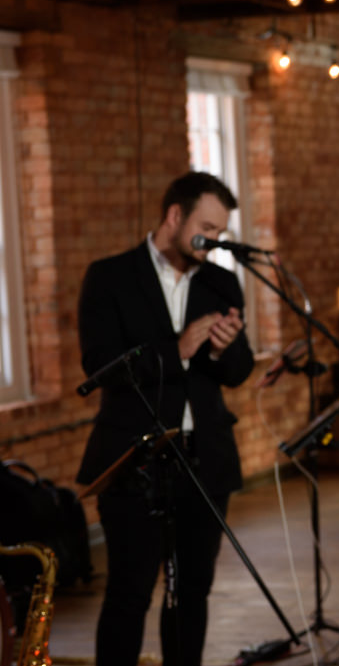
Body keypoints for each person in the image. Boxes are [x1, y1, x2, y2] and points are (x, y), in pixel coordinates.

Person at [76, 172, 255, 666]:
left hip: (205, 465)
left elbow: (238, 372)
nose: (213, 241)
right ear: (175, 217)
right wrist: (175, 351)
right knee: (130, 593)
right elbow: (98, 365)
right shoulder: (110, 276)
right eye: (207, 228)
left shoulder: (222, 281)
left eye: (220, 232)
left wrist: (225, 349)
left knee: (192, 593)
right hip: (135, 462)